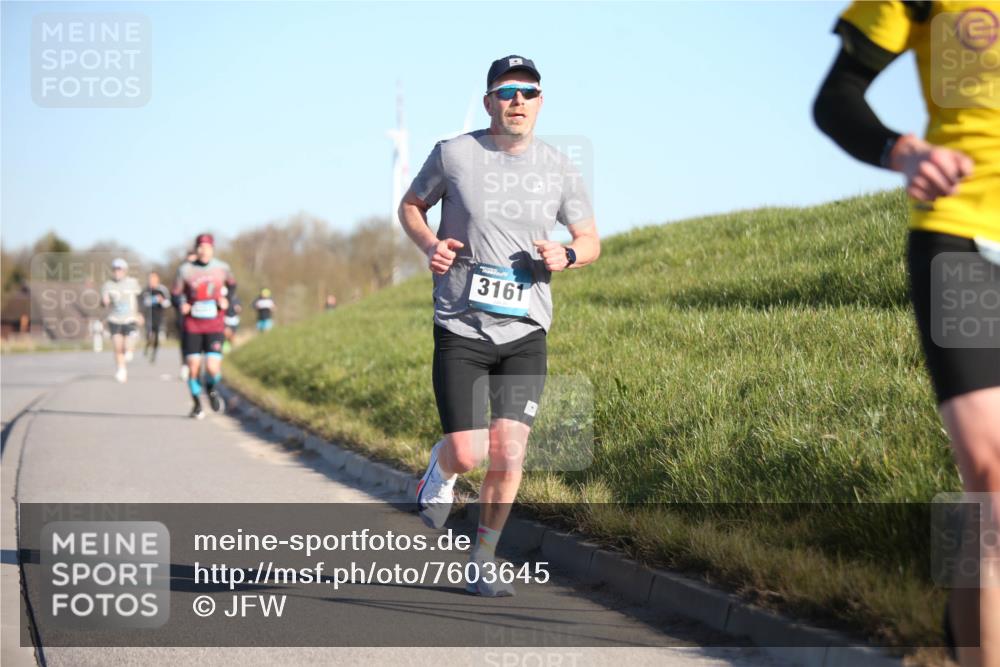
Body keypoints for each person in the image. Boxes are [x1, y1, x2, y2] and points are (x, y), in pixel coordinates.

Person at [813, 3, 999, 664]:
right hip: (966, 237)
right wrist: (903, 149)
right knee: (991, 472)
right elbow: (836, 98)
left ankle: (962, 630)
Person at [398, 55, 600, 596]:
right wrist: (430, 245)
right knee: (468, 452)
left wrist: (567, 256)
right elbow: (412, 205)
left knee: (510, 452)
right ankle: (439, 473)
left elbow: (590, 240)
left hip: (526, 329)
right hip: (462, 324)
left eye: (528, 92)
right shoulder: (455, 154)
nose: (517, 101)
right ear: (488, 101)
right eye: (506, 91)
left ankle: (483, 558)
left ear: (540, 102)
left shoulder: (560, 168)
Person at [172, 234, 236, 419]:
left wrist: (227, 300)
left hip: (215, 324)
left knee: (213, 368)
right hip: (193, 325)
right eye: (200, 247)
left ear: (212, 249)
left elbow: (232, 286)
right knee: (193, 367)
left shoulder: (222, 268)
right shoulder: (185, 270)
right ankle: (197, 405)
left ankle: (211, 389)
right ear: (196, 249)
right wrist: (180, 304)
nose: (203, 250)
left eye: (207, 247)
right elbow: (175, 293)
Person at [100, 258, 143, 383]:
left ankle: (130, 350)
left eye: (120, 269)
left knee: (127, 346)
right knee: (117, 347)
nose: (117, 272)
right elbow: (103, 302)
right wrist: (104, 302)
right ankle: (121, 369)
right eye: (115, 269)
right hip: (115, 319)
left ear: (125, 270)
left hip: (130, 318)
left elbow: (139, 298)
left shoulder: (132, 283)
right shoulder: (107, 285)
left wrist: (140, 314)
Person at [176, 248, 197, 382]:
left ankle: (196, 368)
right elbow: (175, 294)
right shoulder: (182, 272)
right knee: (185, 342)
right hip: (185, 314)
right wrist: (180, 303)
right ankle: (185, 365)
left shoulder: (206, 273)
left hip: (202, 315)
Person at [140, 271, 171, 363]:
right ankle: (147, 347)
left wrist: (161, 301)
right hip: (148, 316)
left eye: (153, 279)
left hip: (159, 316)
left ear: (157, 279)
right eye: (150, 279)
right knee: (149, 335)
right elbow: (141, 303)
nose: (151, 281)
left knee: (156, 335)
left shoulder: (162, 290)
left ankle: (154, 354)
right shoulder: (145, 290)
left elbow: (168, 303)